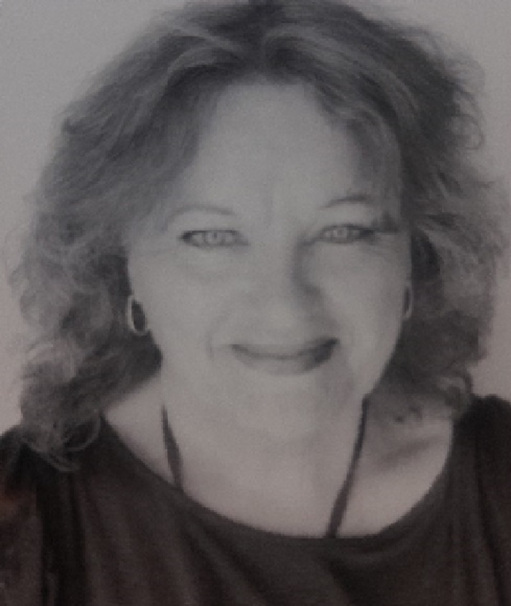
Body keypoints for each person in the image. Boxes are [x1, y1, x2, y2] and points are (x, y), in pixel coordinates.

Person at [1, 0, 509, 604]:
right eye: (211, 237)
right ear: (121, 269)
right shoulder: (24, 526)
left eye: (344, 230)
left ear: (418, 254)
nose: (283, 307)